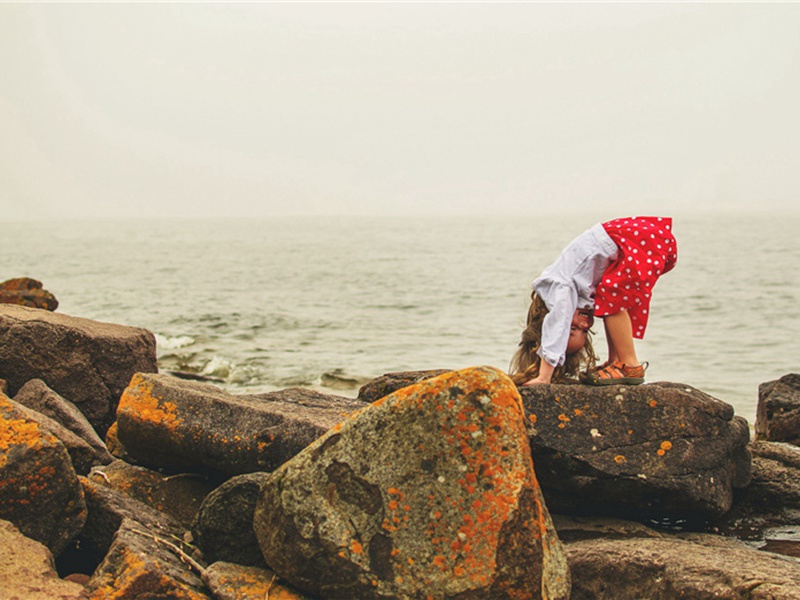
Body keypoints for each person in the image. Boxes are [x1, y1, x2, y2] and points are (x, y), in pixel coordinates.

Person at [509, 216, 677, 386]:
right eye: (585, 331)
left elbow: (557, 327)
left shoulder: (560, 290)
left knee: (611, 301)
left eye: (573, 327)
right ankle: (616, 361)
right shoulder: (575, 285)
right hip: (640, 237)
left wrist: (544, 376)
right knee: (610, 301)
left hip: (635, 238)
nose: (584, 325)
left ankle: (630, 364)